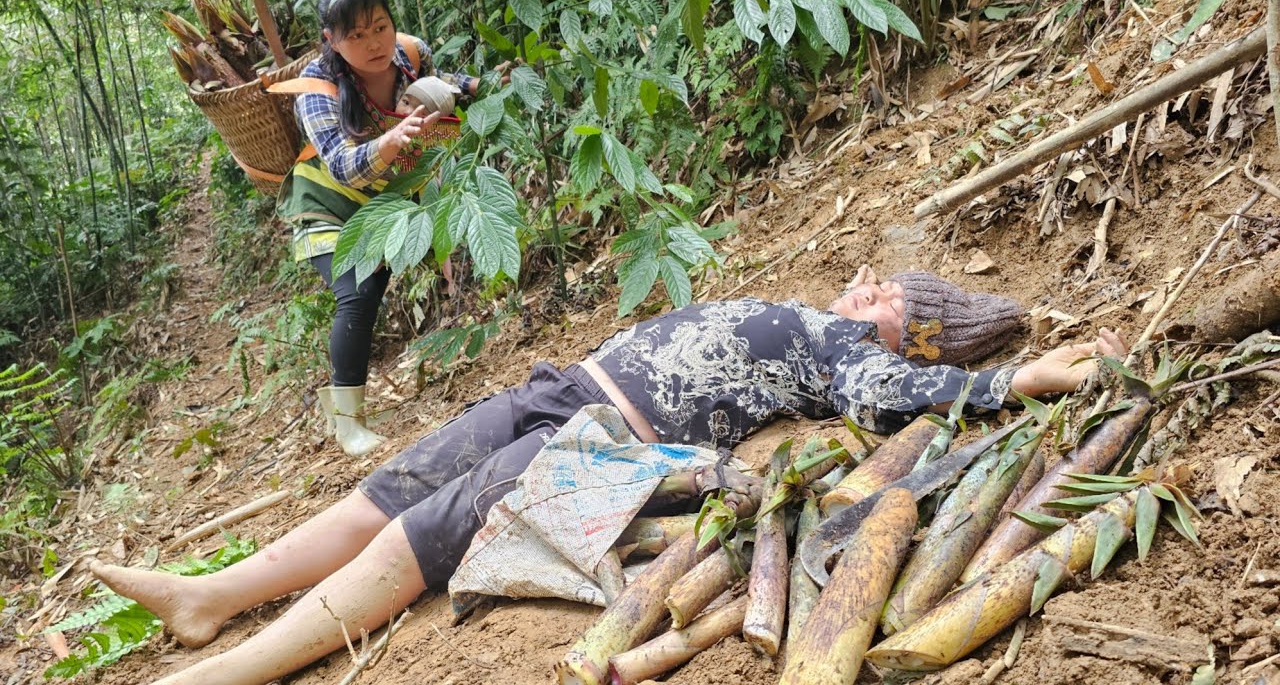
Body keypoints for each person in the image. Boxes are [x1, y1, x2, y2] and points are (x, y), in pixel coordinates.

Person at [89, 267, 1126, 685]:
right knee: (393, 488)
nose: (863, 283)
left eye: (887, 291)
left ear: (911, 329)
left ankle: (236, 668)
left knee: (437, 527)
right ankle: (210, 596)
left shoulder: (853, 355)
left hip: (595, 428)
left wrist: (1012, 380)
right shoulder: (824, 325)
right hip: (560, 384)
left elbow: (903, 399)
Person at [278, 0, 488, 457]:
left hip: (386, 201)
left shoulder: (411, 54)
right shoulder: (315, 88)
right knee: (360, 286)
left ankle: (348, 413)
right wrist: (390, 142)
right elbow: (342, 165)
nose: (374, 42)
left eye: (380, 26)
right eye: (356, 35)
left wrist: (478, 86)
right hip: (328, 204)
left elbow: (439, 86)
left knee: (375, 280)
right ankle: (348, 424)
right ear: (331, 39)